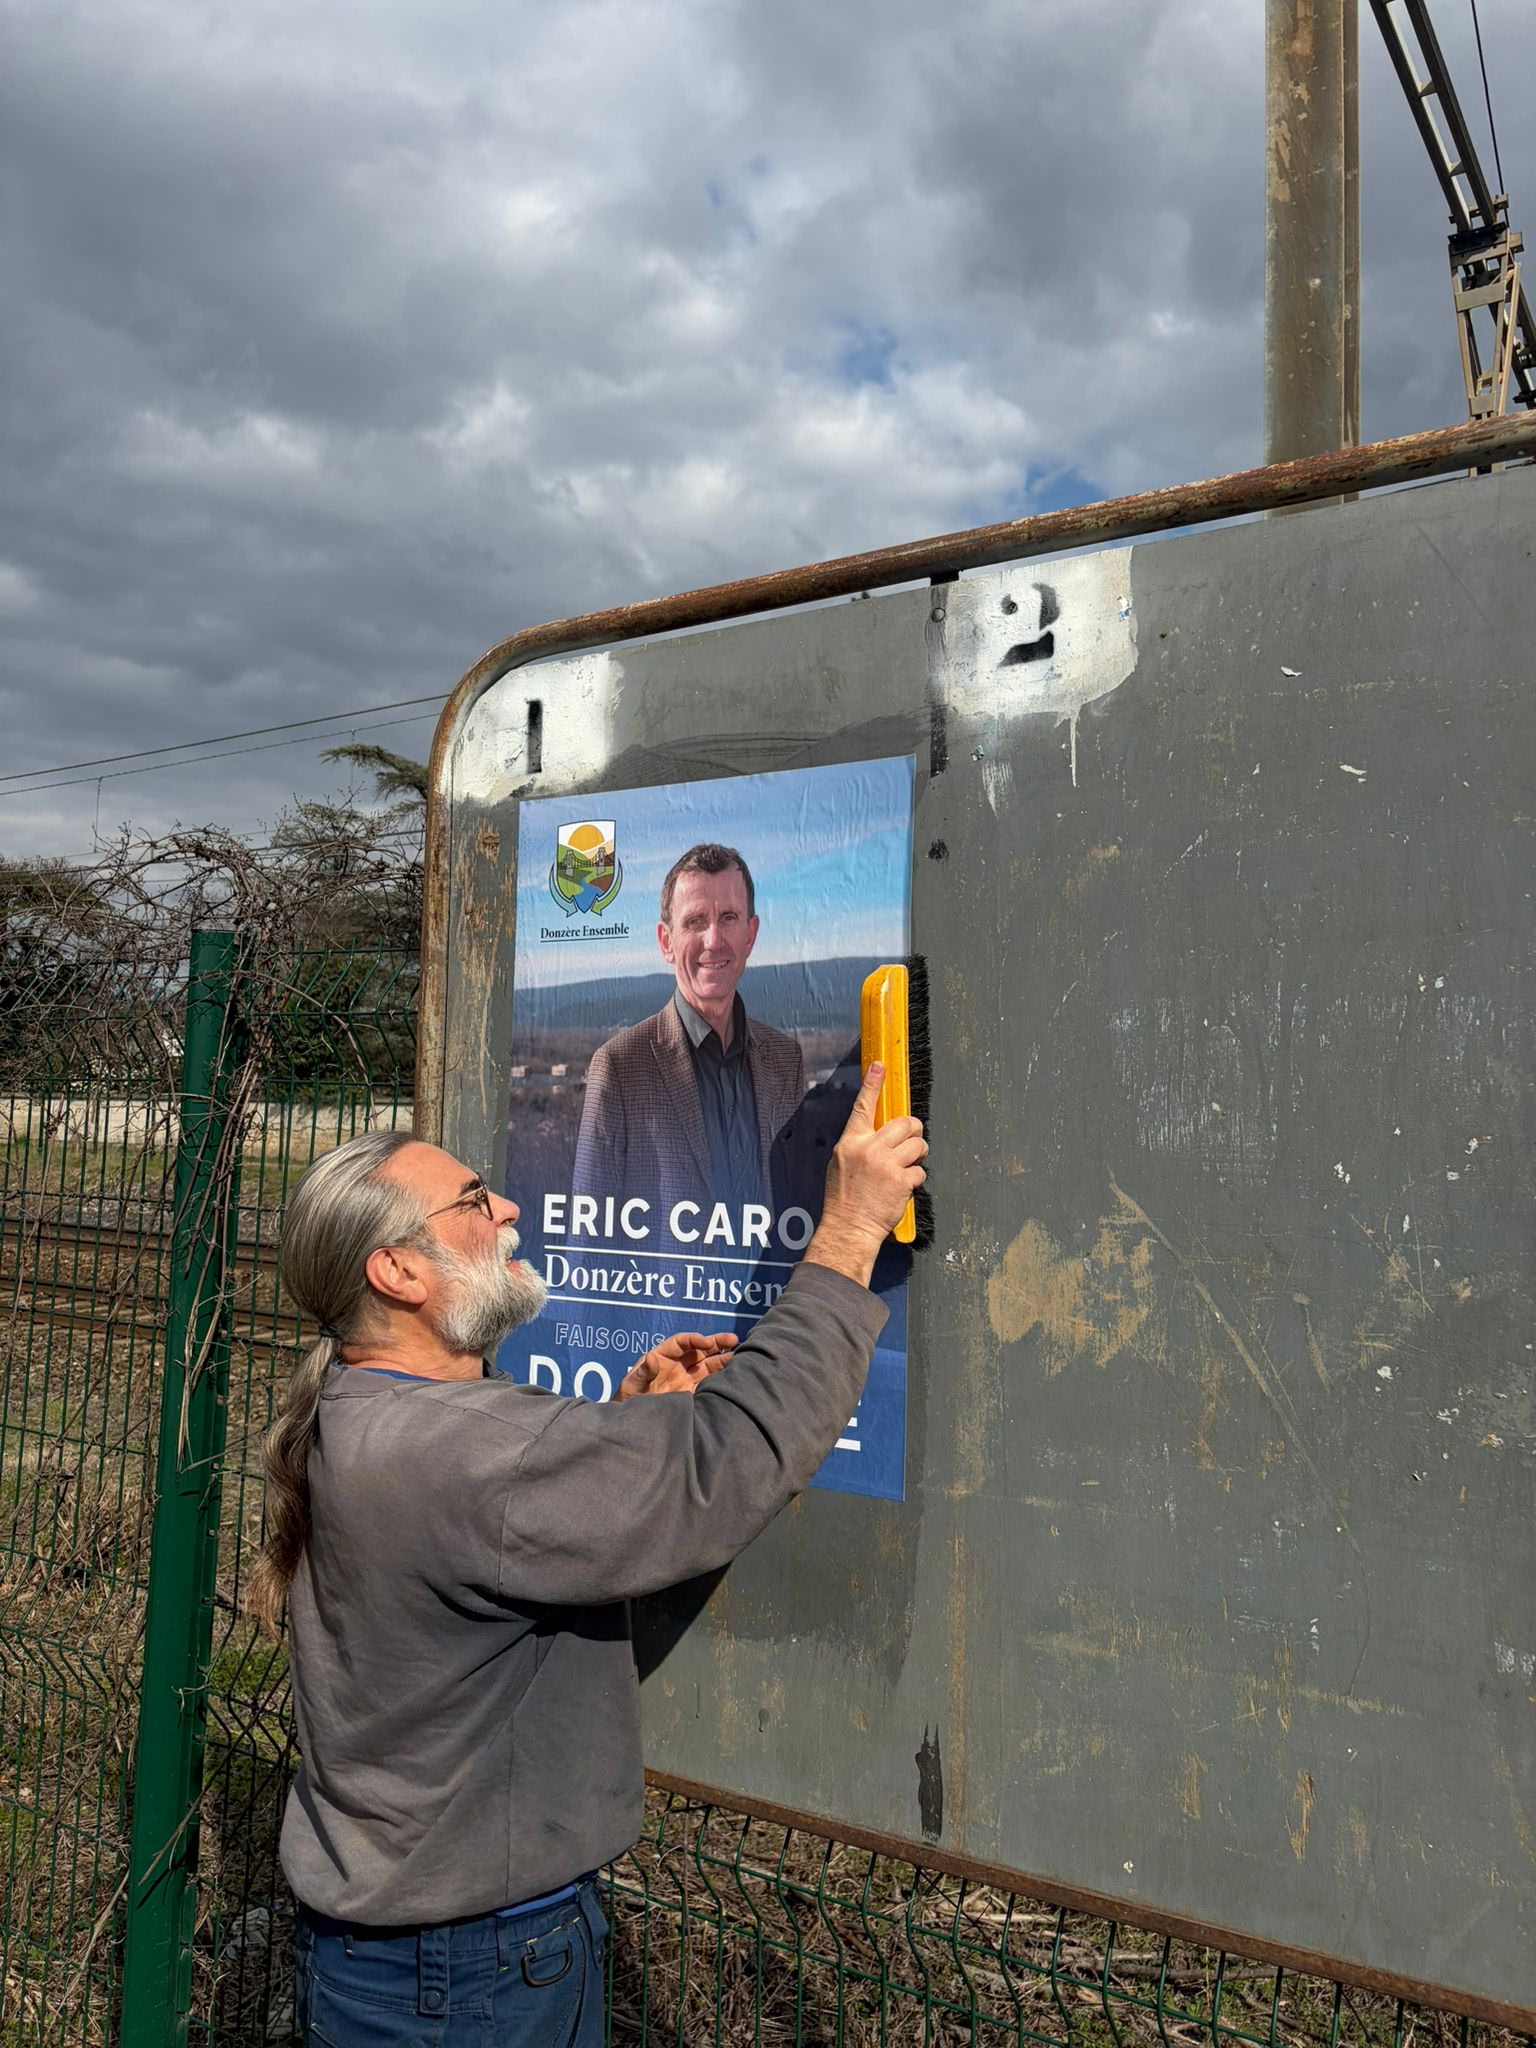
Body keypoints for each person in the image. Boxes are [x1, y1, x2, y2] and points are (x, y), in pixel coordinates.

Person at [245, 1062, 925, 2047]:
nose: (508, 1203)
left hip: (393, 1955)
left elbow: (488, 1572)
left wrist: (617, 1432)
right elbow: (727, 1462)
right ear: (398, 1270)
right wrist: (853, 1226)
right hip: (471, 1976)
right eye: (475, 1198)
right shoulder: (458, 1448)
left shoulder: (364, 1414)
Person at [571, 843, 805, 1223]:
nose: (713, 940)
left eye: (729, 917)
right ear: (666, 941)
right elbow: (587, 1238)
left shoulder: (786, 1060)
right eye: (695, 921)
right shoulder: (619, 1066)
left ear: (751, 935)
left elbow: (800, 1204)